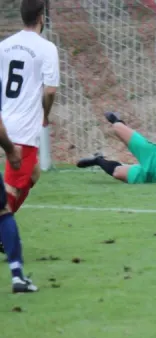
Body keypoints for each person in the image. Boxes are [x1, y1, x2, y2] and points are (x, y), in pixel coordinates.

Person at [0, 0, 60, 213]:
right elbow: (50, 90)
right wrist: (46, 114)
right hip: (23, 127)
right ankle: (4, 230)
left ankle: (5, 226)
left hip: (4, 121)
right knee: (12, 186)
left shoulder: (4, 46)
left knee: (33, 173)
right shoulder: (46, 48)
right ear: (41, 17)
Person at [0, 78, 38, 293]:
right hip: (21, 131)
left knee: (34, 171)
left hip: (21, 128)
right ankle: (17, 276)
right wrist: (10, 150)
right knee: (4, 210)